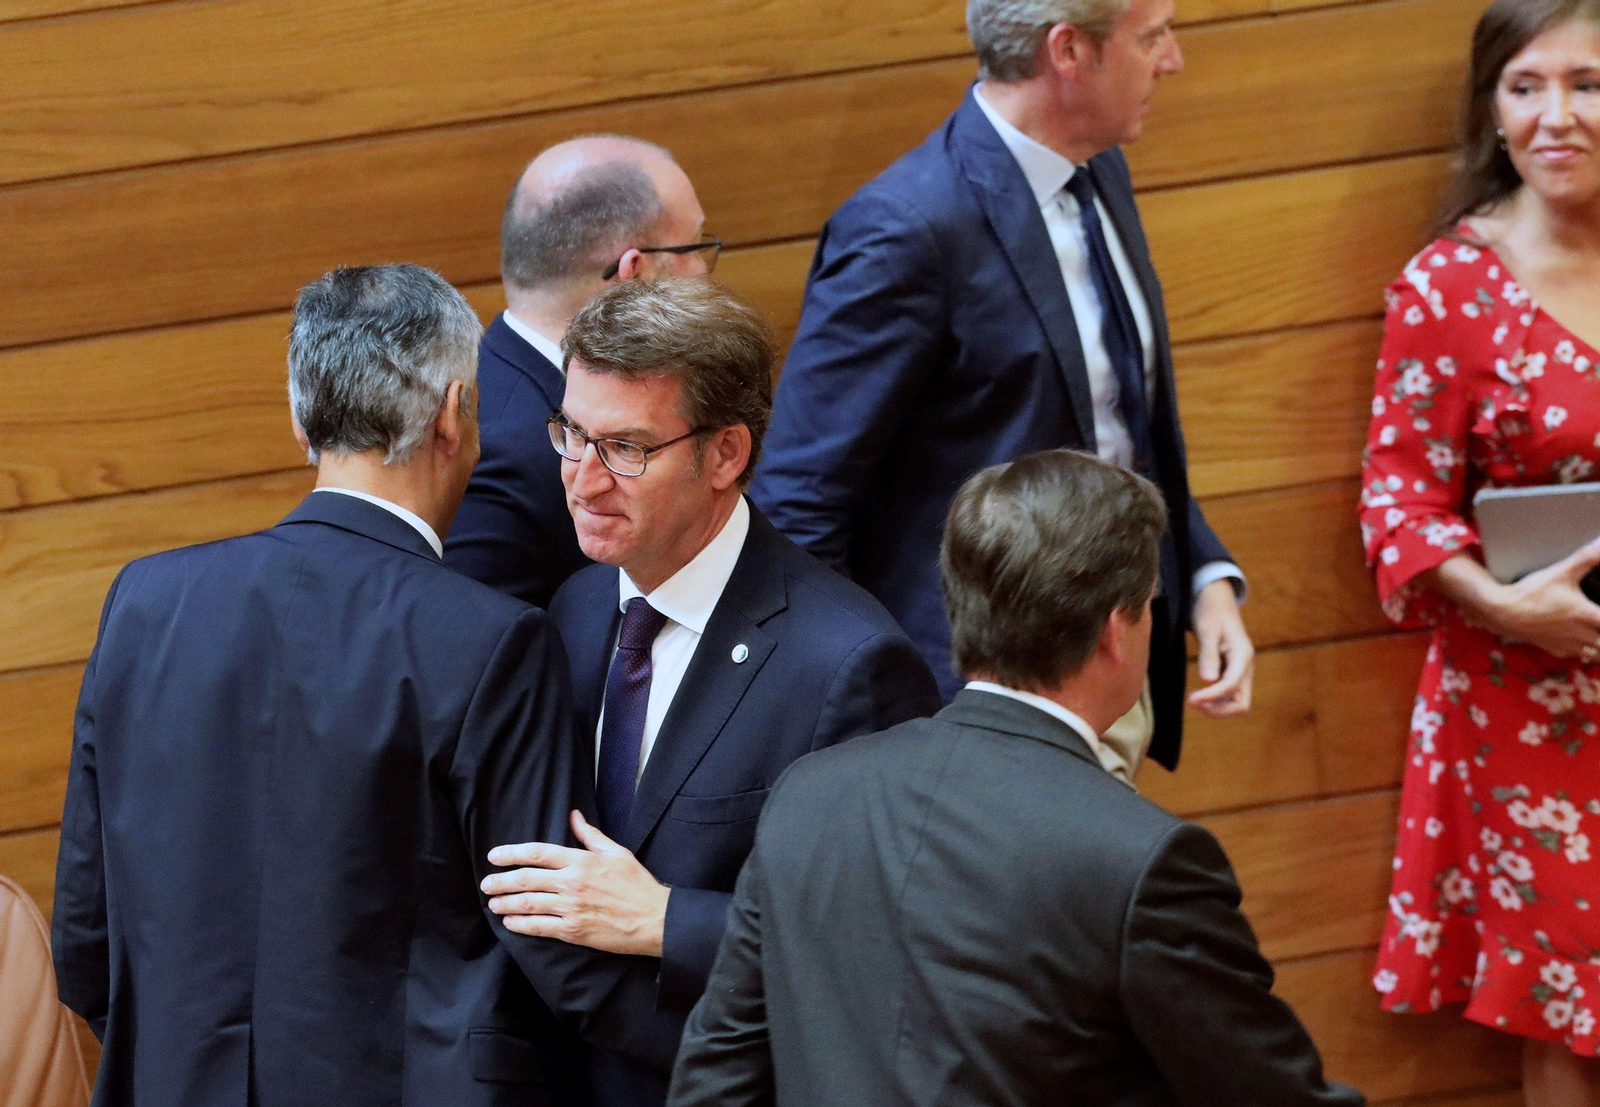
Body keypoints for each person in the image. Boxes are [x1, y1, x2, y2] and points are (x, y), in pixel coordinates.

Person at [51, 265, 680, 1106]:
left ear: (300, 421)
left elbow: (86, 940)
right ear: (455, 414)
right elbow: (553, 949)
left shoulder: (144, 601)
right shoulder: (492, 639)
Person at [668, 449, 1361, 1107]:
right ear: (1116, 631)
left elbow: (717, 1077)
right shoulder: (1145, 864)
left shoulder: (810, 795)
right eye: (1150, 603)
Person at [748, 0, 1254, 779]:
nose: (1173, 60)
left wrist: (1205, 577)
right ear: (1068, 52)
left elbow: (1117, 429)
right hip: (968, 722)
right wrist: (891, 724)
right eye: (1153, 37)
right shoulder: (907, 228)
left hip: (1108, 678)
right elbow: (800, 502)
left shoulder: (1098, 170)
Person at [477, 278, 942, 1107]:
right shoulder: (576, 605)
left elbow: (884, 943)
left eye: (625, 449)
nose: (582, 482)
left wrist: (666, 919)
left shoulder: (851, 663)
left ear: (725, 453)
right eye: (571, 435)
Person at [1360, 0, 1600, 1098]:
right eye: (1526, 86)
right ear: (1490, 110)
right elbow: (1399, 500)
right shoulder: (1449, 288)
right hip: (1527, 699)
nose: (1558, 115)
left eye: (1588, 84)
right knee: (1565, 1013)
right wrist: (1500, 608)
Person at [445, 135, 719, 607]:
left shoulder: (487, 386)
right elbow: (472, 660)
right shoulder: (504, 453)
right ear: (637, 273)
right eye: (697, 248)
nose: (706, 275)